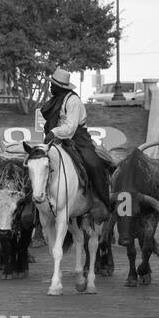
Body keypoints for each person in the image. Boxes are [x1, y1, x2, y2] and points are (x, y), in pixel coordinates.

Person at [39, 67, 112, 215]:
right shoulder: (55, 100)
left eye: (53, 85)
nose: (51, 86)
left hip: (77, 138)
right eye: (51, 84)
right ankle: (37, 204)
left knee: (93, 163)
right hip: (55, 139)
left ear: (60, 87)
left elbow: (71, 127)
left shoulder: (73, 101)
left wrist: (53, 132)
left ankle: (101, 199)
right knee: (38, 163)